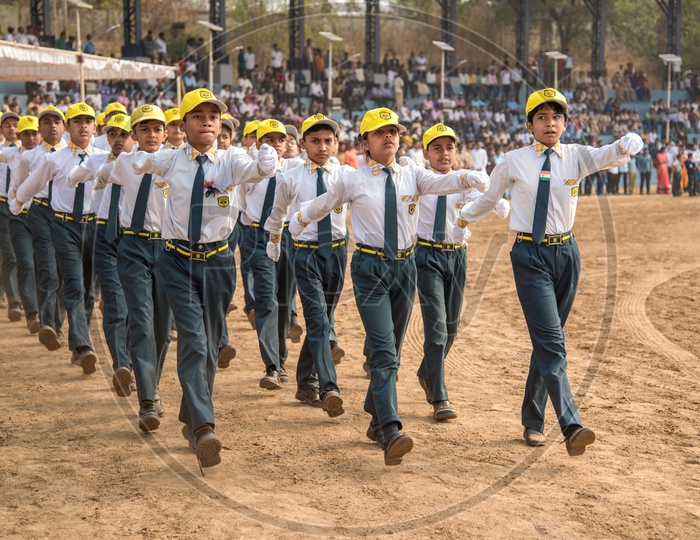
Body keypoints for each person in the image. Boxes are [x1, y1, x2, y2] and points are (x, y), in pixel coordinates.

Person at [289, 108, 488, 466]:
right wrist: (300, 219)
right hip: (370, 268)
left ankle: (374, 413)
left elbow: (439, 182)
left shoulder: (413, 174)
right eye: (380, 133)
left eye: (393, 132)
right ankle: (390, 429)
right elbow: (325, 202)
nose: (389, 138)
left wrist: (466, 179)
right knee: (383, 352)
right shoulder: (353, 180)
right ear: (365, 143)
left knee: (392, 350)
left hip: (406, 266)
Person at [459, 88, 644, 456]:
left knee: (548, 341)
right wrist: (463, 217)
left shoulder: (576, 156)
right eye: (542, 117)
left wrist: (627, 144)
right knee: (552, 343)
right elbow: (490, 199)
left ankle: (531, 420)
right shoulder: (513, 160)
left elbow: (609, 155)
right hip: (529, 254)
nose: (550, 123)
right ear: (529, 125)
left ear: (565, 123)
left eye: (556, 117)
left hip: (566, 254)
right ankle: (571, 423)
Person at [129, 89, 278, 468]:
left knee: (210, 344)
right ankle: (203, 428)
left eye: (214, 115)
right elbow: (138, 165)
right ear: (183, 124)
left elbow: (258, 171)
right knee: (194, 338)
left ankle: (190, 414)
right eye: (198, 115)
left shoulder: (231, 160)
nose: (208, 121)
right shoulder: (169, 160)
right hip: (176, 260)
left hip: (218, 262)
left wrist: (266, 162)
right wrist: (132, 159)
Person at [411, 123, 509, 421]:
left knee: (451, 327)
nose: (444, 153)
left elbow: (476, 203)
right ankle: (440, 397)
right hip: (427, 256)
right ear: (425, 152)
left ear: (457, 151)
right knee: (437, 328)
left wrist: (494, 202)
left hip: (457, 257)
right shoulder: (419, 179)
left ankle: (427, 372)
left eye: (449, 147)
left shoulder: (465, 181)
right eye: (437, 148)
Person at [11, 103, 109, 374]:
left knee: (89, 289)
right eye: (77, 121)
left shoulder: (103, 157)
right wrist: (17, 201)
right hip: (63, 226)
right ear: (68, 127)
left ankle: (79, 344)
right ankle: (83, 345)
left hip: (94, 227)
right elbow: (33, 183)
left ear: (95, 127)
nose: (83, 126)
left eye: (88, 121)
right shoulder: (54, 159)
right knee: (75, 285)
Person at [91, 104, 172, 430]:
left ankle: (150, 381)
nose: (151, 135)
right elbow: (100, 174)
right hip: (134, 247)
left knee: (163, 330)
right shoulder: (123, 163)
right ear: (134, 135)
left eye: (157, 129)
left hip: (169, 250)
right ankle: (147, 400)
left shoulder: (177, 162)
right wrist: (88, 179)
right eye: (144, 130)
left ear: (165, 133)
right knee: (140, 319)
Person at [265, 114, 348, 416]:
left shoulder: (345, 175)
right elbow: (277, 212)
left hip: (338, 252)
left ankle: (304, 382)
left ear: (336, 143)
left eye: (328, 141)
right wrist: (274, 241)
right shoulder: (291, 176)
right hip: (305, 253)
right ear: (302, 144)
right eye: (315, 141)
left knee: (322, 318)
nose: (322, 147)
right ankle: (328, 387)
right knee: (317, 319)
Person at [70, 113, 133, 396]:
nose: (118, 140)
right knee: (115, 302)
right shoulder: (96, 160)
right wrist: (73, 176)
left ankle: (131, 359)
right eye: (112, 135)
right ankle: (122, 365)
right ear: (105, 137)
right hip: (103, 236)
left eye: (124, 134)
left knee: (136, 305)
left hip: (135, 239)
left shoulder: (146, 163)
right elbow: (74, 177)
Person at [239, 119, 303, 390]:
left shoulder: (295, 169)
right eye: (269, 139)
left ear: (287, 144)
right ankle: (272, 366)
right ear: (258, 143)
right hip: (259, 235)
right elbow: (242, 202)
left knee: (284, 299)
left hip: (286, 236)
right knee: (266, 298)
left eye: (280, 140)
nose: (276, 145)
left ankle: (281, 359)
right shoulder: (250, 169)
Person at [7, 106, 67, 350]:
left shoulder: (75, 155)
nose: (52, 125)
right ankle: (47, 323)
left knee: (64, 273)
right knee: (47, 268)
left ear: (64, 127)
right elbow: (17, 185)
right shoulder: (28, 157)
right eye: (47, 122)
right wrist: (16, 207)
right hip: (40, 212)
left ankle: (58, 324)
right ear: (41, 129)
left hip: (67, 216)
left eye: (57, 121)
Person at [1, 116, 42, 334]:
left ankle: (45, 313)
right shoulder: (11, 154)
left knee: (42, 264)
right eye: (25, 133)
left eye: (34, 132)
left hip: (43, 214)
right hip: (15, 213)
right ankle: (30, 312)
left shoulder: (48, 156)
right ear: (19, 137)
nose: (31, 137)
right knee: (21, 260)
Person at [0, 111, 21, 322]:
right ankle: (13, 300)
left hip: (24, 206)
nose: (12, 129)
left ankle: (23, 296)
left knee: (27, 255)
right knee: (10, 254)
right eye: (7, 126)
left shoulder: (29, 152)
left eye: (16, 125)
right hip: (2, 205)